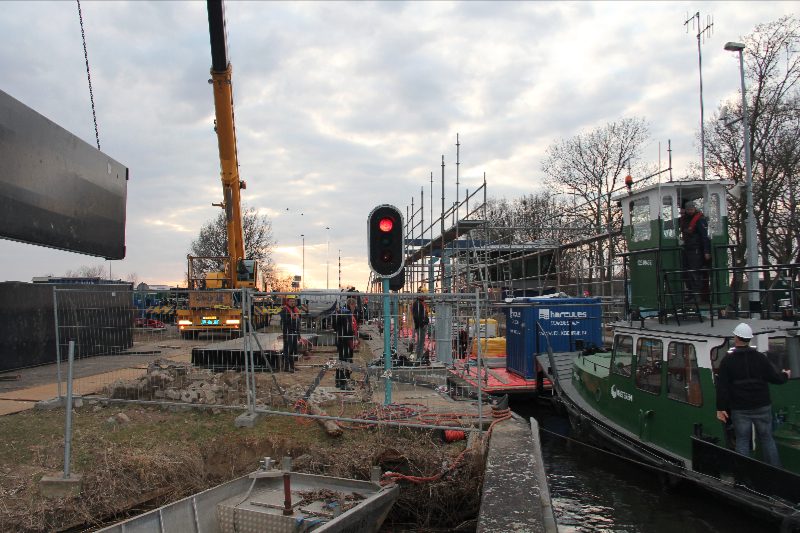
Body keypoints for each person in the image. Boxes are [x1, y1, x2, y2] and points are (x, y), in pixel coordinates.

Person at [715, 322, 791, 466]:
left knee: (742, 440)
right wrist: (785, 375)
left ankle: (743, 475)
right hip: (762, 406)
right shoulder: (760, 358)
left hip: (740, 408)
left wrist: (721, 408)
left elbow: (722, 387)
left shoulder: (727, 361)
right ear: (749, 339)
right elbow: (774, 378)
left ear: (736, 338)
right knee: (767, 438)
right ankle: (775, 471)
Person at [679, 200, 711, 301]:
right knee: (685, 271)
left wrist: (706, 251)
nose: (690, 211)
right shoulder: (684, 219)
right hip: (687, 249)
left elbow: (704, 236)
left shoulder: (700, 220)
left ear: (694, 208)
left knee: (695, 271)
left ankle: (696, 295)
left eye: (691, 209)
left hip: (696, 250)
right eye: (688, 209)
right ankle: (690, 292)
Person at [333, 297, 358, 390]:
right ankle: (344, 382)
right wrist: (353, 337)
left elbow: (335, 326)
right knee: (346, 361)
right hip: (346, 340)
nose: (355, 308)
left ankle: (339, 381)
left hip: (341, 339)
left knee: (341, 360)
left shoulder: (341, 312)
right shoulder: (346, 313)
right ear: (351, 304)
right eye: (354, 306)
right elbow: (349, 328)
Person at [279, 295, 304, 372]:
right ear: (287, 302)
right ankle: (286, 367)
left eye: (294, 301)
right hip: (288, 333)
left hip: (295, 332)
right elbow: (285, 322)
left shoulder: (295, 310)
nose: (293, 302)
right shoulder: (284, 310)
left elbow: (297, 324)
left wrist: (299, 335)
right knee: (287, 350)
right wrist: (291, 318)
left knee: (293, 350)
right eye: (291, 301)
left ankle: (292, 366)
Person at [411, 287, 429, 361]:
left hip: (421, 326)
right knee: (420, 343)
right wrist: (422, 324)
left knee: (421, 342)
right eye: (424, 294)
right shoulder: (417, 304)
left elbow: (423, 315)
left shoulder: (420, 303)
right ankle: (419, 358)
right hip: (420, 326)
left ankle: (419, 357)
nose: (425, 296)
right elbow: (417, 316)